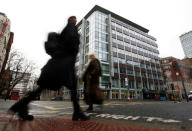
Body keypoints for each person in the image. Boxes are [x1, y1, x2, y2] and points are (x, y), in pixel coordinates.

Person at [8, 16, 89, 121]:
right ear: (71, 20)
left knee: (44, 88)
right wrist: (76, 45)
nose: (76, 20)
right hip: (64, 65)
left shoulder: (66, 29)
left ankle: (21, 105)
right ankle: (20, 105)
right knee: (69, 88)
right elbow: (72, 44)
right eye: (75, 19)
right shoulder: (71, 27)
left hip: (58, 64)